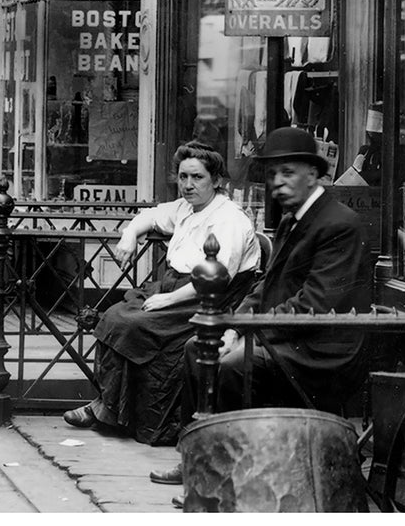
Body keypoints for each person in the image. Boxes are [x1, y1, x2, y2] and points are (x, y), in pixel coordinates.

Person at [151, 126, 372, 490]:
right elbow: (266, 285)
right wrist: (233, 328)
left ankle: (227, 478)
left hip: (322, 348)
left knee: (234, 366)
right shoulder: (292, 217)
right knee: (198, 346)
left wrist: (249, 335)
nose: (278, 183)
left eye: (288, 173)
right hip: (285, 334)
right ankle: (198, 459)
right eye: (272, 175)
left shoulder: (338, 224)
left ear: (313, 174)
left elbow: (314, 304)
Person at [62, 142, 261, 445]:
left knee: (130, 324)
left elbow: (217, 279)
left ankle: (112, 410)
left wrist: (168, 299)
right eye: (183, 177)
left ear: (217, 181)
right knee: (116, 316)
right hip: (176, 286)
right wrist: (130, 234)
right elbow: (152, 216)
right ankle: (108, 406)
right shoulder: (187, 207)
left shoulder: (229, 219)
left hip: (209, 299)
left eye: (197, 177)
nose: (188, 185)